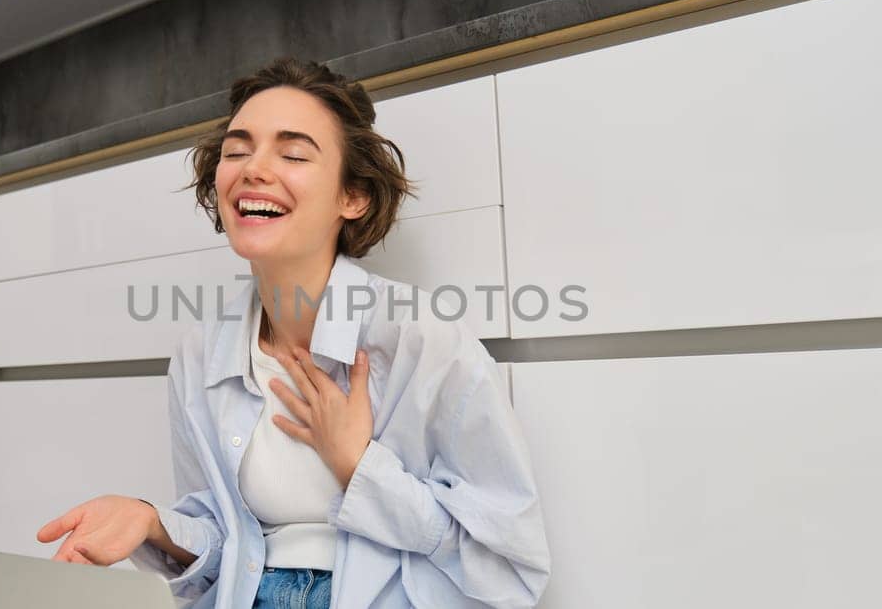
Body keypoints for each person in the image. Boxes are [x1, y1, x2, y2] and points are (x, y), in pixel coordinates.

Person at [36, 56, 550, 609]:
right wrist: (152, 523)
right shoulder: (199, 355)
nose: (253, 168)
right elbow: (226, 547)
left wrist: (359, 465)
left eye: (294, 153)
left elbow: (509, 568)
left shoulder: (420, 341)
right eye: (236, 151)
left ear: (352, 197)